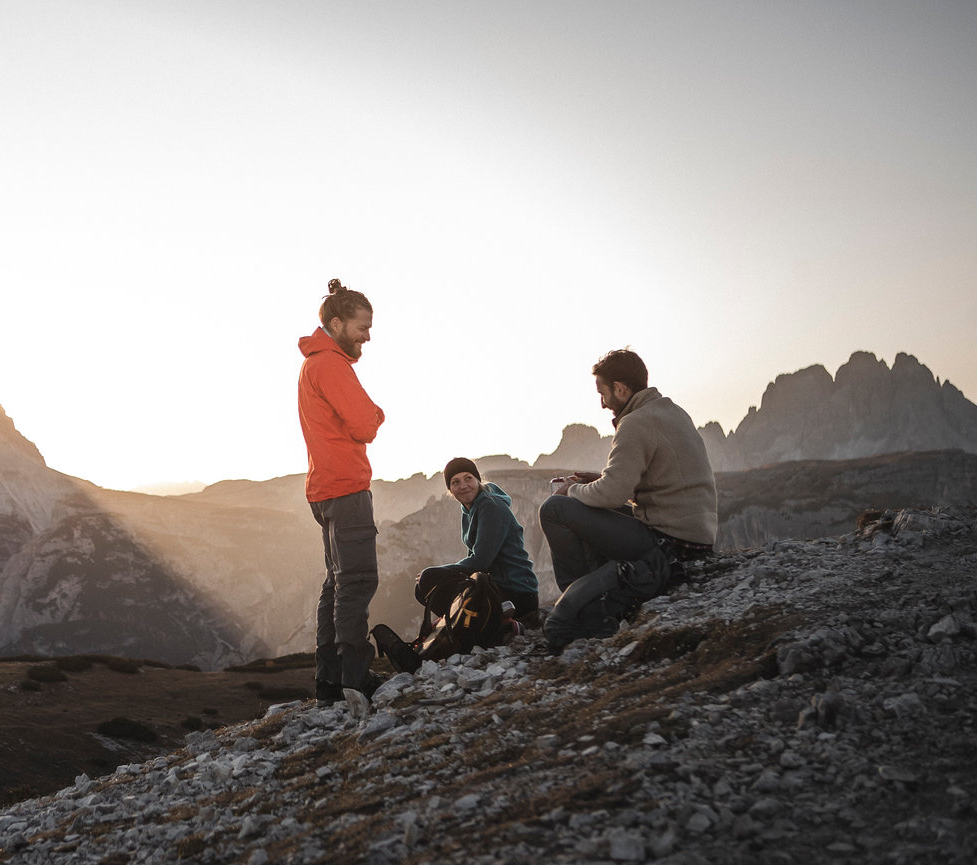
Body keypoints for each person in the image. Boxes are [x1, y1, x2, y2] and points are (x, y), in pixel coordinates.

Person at [539, 348, 718, 592]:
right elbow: (663, 484)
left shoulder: (635, 423)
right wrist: (601, 481)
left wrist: (573, 490)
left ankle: (578, 598)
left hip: (671, 545)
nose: (602, 403)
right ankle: (603, 587)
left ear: (620, 389)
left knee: (554, 509)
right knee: (590, 503)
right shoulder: (673, 412)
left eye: (603, 393)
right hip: (696, 540)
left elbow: (611, 495)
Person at [298, 278, 385, 702]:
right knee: (357, 580)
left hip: (323, 487)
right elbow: (365, 424)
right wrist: (377, 413)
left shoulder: (315, 363)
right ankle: (354, 678)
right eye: (362, 327)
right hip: (346, 485)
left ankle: (329, 681)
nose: (368, 335)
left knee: (336, 582)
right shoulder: (331, 365)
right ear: (336, 323)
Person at [415, 457, 541, 627]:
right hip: (494, 587)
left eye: (468, 478)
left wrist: (437, 573)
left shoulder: (491, 507)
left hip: (517, 593)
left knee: (428, 579)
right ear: (450, 490)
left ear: (478, 480)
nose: (463, 485)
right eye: (455, 482)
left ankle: (493, 627)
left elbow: (481, 561)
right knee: (422, 590)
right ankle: (466, 625)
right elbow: (474, 558)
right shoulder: (470, 509)